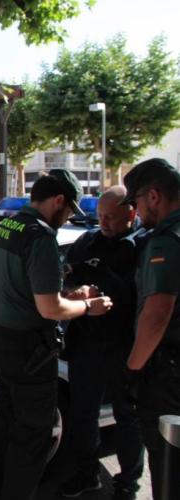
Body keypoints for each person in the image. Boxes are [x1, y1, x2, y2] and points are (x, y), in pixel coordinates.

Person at [0, 168, 113, 500]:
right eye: (69, 209)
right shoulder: (40, 238)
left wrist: (66, 295)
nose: (69, 216)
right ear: (58, 201)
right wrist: (88, 306)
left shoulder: (8, 226)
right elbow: (50, 309)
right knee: (33, 438)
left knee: (10, 425)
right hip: (28, 352)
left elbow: (24, 289)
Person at [59, 186, 145, 500]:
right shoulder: (87, 241)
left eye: (111, 217)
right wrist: (75, 291)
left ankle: (128, 484)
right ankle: (87, 473)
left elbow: (143, 295)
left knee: (128, 418)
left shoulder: (144, 245)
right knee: (83, 413)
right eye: (100, 216)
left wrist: (100, 288)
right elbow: (65, 275)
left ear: (131, 213)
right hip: (87, 343)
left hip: (125, 346)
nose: (104, 222)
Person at [120, 158, 180, 500]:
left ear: (154, 196)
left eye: (136, 202)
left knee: (168, 466)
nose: (136, 212)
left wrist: (133, 370)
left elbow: (157, 313)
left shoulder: (166, 241)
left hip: (168, 376)